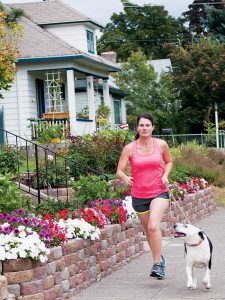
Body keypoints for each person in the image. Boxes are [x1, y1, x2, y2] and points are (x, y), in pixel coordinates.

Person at [116, 112, 172, 279]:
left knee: (154, 226)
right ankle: (159, 259)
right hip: (139, 196)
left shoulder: (161, 144)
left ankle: (157, 264)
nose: (145, 128)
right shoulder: (129, 148)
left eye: (148, 125)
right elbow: (119, 170)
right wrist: (124, 177)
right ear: (137, 128)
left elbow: (169, 161)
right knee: (149, 231)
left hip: (159, 191)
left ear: (153, 127)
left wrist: (166, 175)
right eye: (141, 125)